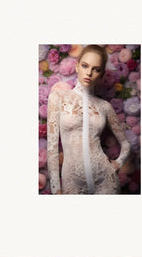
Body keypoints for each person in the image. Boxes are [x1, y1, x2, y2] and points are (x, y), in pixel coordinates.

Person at [47, 45, 131, 194]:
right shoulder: (58, 98)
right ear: (77, 66)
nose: (89, 73)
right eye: (85, 66)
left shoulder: (105, 106)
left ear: (101, 73)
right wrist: (55, 189)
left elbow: (126, 144)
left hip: (105, 179)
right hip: (72, 180)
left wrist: (117, 164)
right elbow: (52, 148)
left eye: (96, 69)